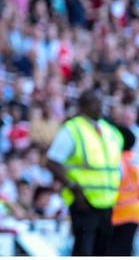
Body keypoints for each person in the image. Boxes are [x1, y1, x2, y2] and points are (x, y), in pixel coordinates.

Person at [46, 89, 124, 256]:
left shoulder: (110, 131)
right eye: (93, 103)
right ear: (82, 106)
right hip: (84, 202)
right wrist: (73, 187)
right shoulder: (72, 129)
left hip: (108, 202)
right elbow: (52, 162)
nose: (99, 107)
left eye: (100, 102)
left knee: (102, 252)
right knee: (84, 251)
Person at [111, 130, 139, 256]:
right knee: (126, 250)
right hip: (135, 212)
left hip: (118, 213)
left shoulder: (118, 160)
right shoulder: (137, 159)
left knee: (115, 252)